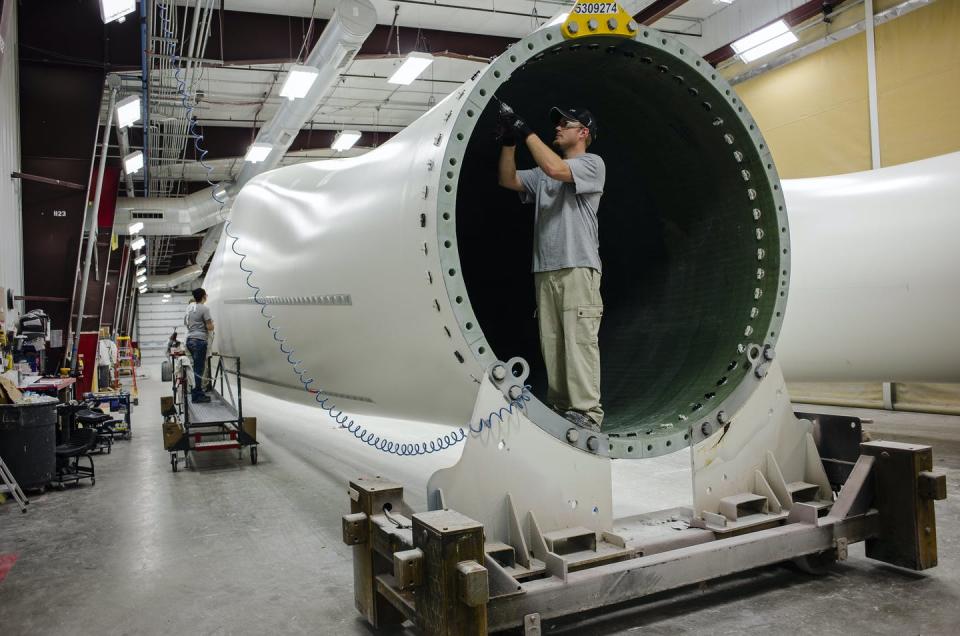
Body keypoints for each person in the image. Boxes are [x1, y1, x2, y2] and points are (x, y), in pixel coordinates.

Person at [496, 103, 606, 432]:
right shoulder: (544, 175)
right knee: (553, 340)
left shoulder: (591, 164)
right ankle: (561, 408)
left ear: (583, 133)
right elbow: (508, 179)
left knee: (578, 340)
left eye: (565, 124)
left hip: (577, 267)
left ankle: (587, 412)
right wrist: (510, 142)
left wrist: (525, 129)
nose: (557, 127)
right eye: (555, 123)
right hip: (545, 270)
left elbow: (557, 169)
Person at [183, 288, 214, 403]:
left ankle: (195, 392)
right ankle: (197, 395)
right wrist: (211, 324)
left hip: (190, 340)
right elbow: (210, 327)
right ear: (203, 296)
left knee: (196, 367)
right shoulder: (205, 309)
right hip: (199, 341)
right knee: (199, 369)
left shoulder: (190, 308)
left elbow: (186, 323)